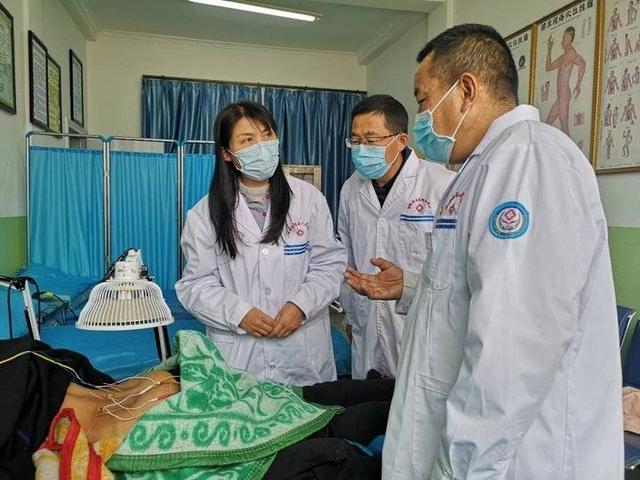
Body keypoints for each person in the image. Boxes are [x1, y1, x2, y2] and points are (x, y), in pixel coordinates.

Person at [345, 24, 623, 479]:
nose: (422, 117)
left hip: (517, 459)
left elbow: (512, 350)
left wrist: (460, 469)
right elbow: (474, 289)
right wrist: (413, 287)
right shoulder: (481, 168)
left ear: (466, 90)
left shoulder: (528, 160)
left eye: (423, 100)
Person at [1, 333, 393, 480]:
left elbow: (85, 376)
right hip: (172, 427)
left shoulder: (25, 361)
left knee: (334, 399)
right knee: (331, 442)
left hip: (229, 387)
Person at [176, 101, 346, 386]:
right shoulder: (204, 214)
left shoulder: (309, 199)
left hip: (302, 354)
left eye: (267, 135)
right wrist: (239, 314)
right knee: (244, 411)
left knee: (309, 412)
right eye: (247, 140)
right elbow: (196, 284)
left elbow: (329, 265)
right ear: (227, 154)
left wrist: (300, 306)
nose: (261, 146)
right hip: (239, 358)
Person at [338, 95, 453, 379]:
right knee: (367, 400)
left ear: (400, 141)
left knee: (411, 399)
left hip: (418, 326)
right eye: (355, 141)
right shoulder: (351, 189)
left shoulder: (440, 184)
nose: (361, 149)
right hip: (365, 323)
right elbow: (346, 255)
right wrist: (351, 317)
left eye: (371, 140)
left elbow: (453, 265)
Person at [545, 26, 586, 136]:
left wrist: (578, 84)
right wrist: (549, 48)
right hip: (561, 94)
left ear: (568, 38)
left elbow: (582, 64)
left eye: (563, 38)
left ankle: (570, 147)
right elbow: (548, 67)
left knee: (564, 125)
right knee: (548, 122)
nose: (562, 41)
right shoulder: (563, 56)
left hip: (564, 92)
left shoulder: (571, 53)